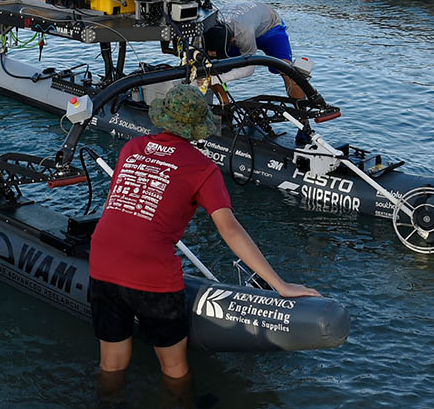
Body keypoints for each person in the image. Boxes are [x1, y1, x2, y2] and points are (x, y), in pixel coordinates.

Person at [89, 84, 318, 386]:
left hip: (102, 262)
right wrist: (280, 285)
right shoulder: (203, 168)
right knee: (173, 367)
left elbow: (114, 205)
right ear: (199, 127)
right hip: (150, 274)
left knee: (111, 362)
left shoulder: (131, 148)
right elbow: (229, 229)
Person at [201, 0, 307, 101]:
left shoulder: (243, 33)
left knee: (287, 70)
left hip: (269, 28)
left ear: (233, 41)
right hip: (239, 26)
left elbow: (249, 69)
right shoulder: (209, 27)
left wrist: (212, 80)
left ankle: (302, 114)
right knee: (213, 67)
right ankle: (225, 105)